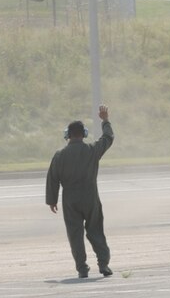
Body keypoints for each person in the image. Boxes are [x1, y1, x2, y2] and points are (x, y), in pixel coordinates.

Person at [45, 105, 114, 278]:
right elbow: (108, 137)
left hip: (70, 200)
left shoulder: (60, 155)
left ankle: (82, 268)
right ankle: (103, 264)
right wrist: (105, 120)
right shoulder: (92, 150)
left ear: (67, 135)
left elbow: (52, 178)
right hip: (90, 197)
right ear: (83, 134)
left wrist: (52, 200)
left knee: (75, 234)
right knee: (96, 230)